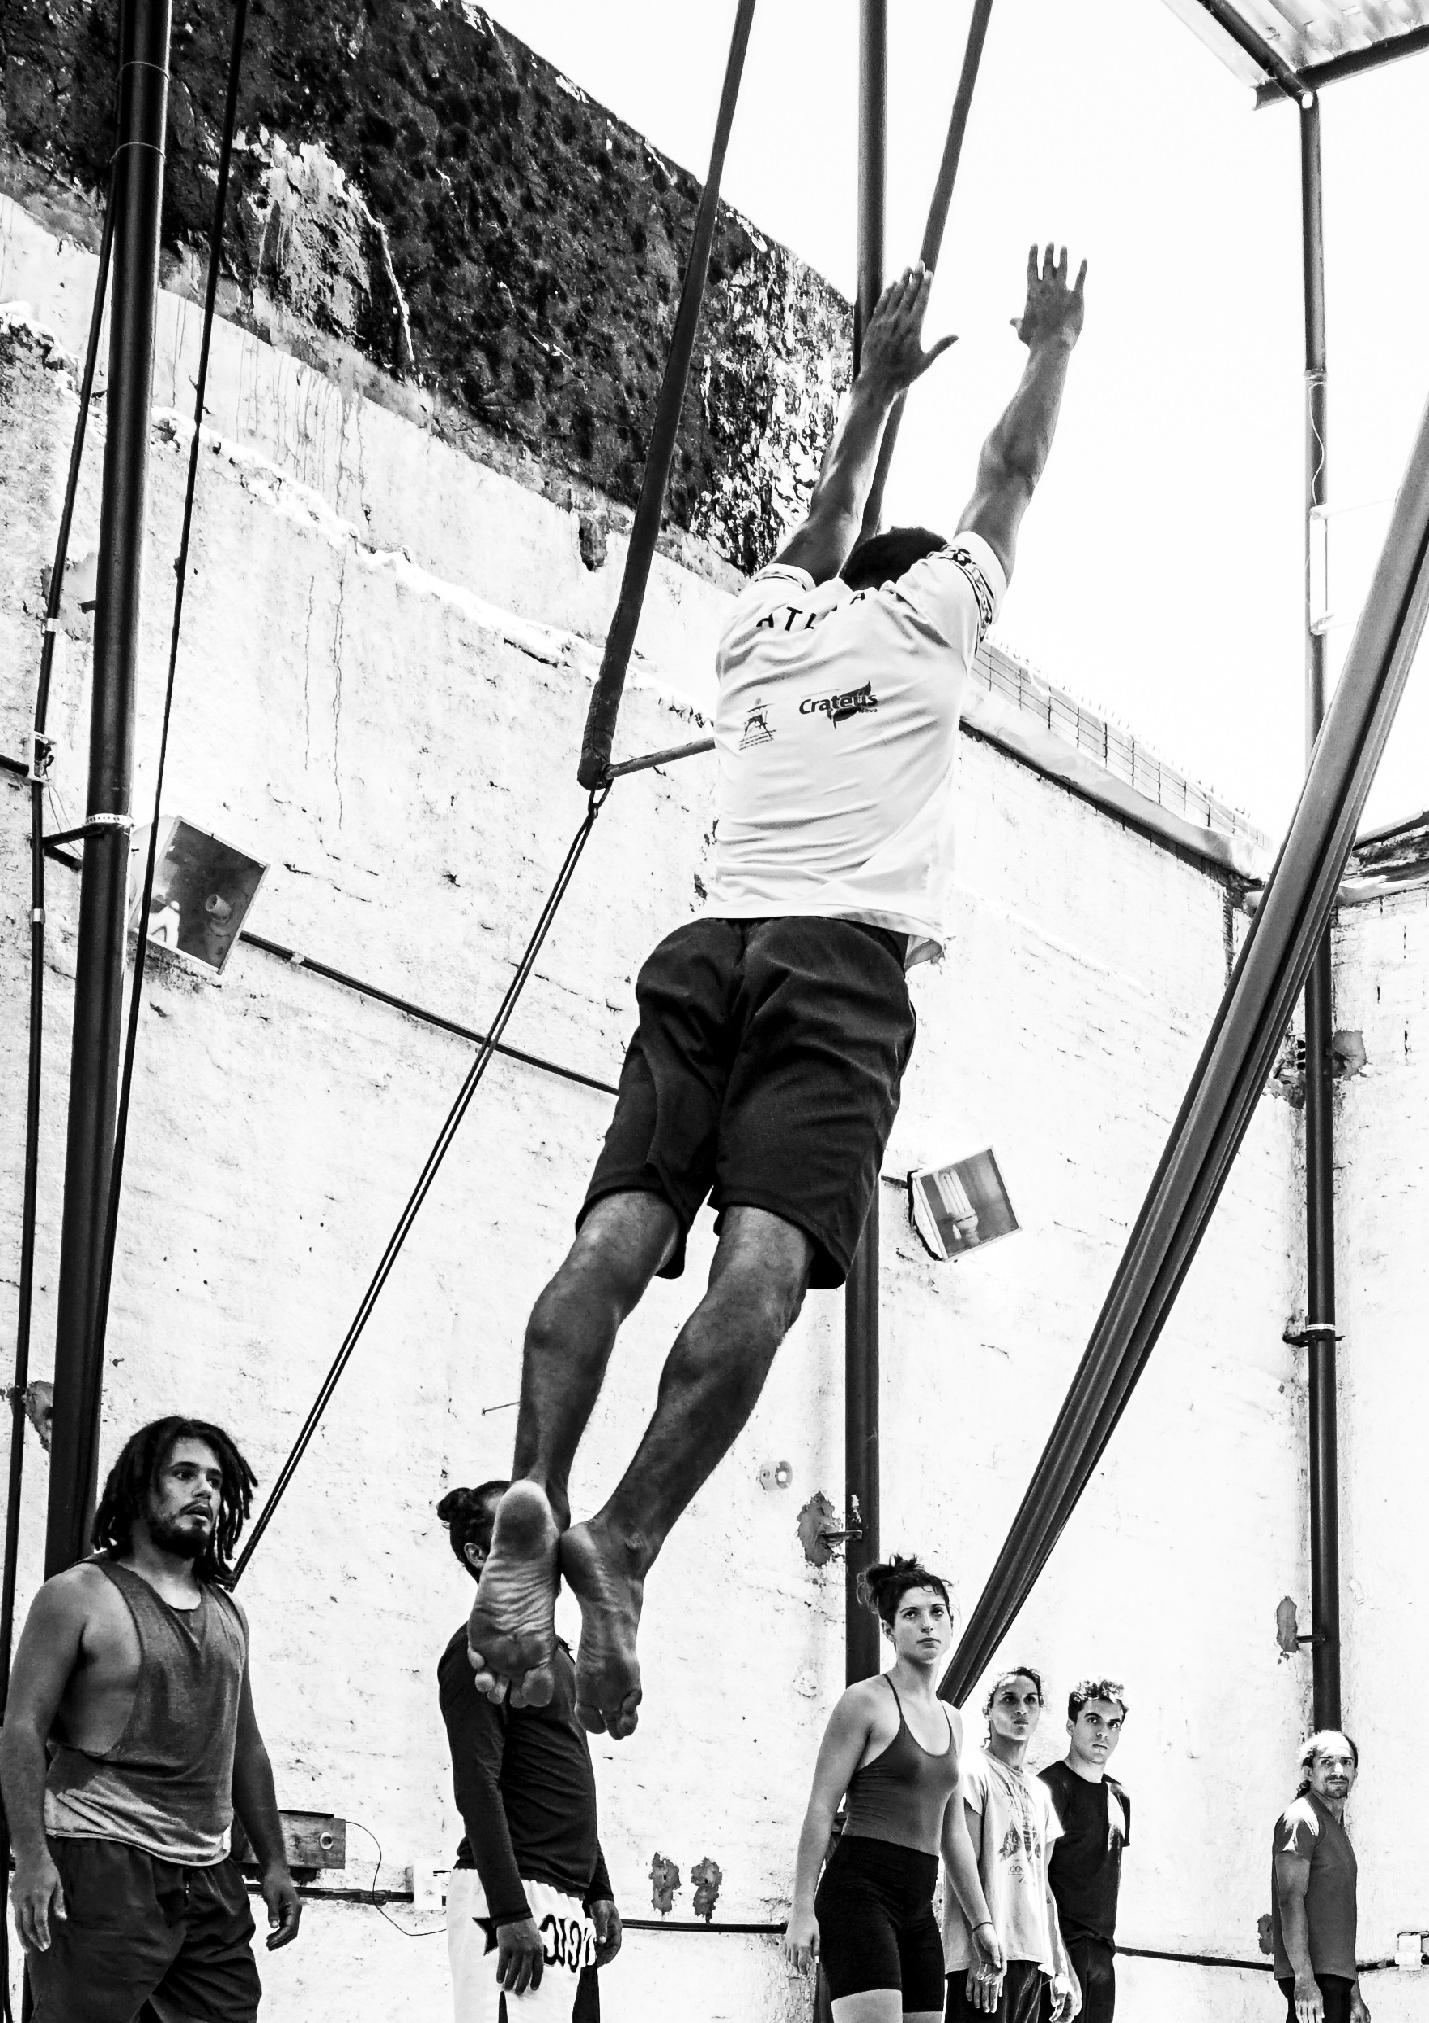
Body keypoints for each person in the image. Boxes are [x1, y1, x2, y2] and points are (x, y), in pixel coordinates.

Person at [465, 250, 1090, 1736]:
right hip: (837, 966)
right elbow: (1007, 474)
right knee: (758, 1268)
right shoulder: (934, 617)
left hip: (709, 947)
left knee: (615, 1235)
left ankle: (536, 1483)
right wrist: (1052, 347)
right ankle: (621, 1538)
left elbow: (822, 512)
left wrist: (872, 386)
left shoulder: (761, 631)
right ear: (932, 583)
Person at [0, 1416, 303, 2023]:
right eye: (184, 1475)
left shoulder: (228, 1614)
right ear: (140, 1489)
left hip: (206, 1869)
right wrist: (31, 1858)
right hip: (99, 1856)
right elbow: (22, 1730)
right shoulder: (79, 1596)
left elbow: (245, 1745)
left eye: (216, 1480)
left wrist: (274, 1859)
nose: (205, 1492)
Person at [432, 1483, 621, 2023]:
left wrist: (599, 1888)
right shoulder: (476, 1653)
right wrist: (509, 1912)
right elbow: (477, 1786)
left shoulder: (553, 1654)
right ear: (483, 1553)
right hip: (507, 1895)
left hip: (561, 1891)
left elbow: (565, 1773)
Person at [783, 1558, 993, 2023]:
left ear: (950, 1624)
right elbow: (821, 1808)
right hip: (857, 1894)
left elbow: (953, 1830)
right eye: (911, 1615)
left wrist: (983, 1922)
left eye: (937, 1612)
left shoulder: (955, 1721)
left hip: (915, 1905)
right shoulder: (865, 1703)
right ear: (889, 1629)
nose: (927, 1624)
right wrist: (800, 1909)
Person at [941, 1666, 1080, 2023]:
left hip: (1029, 1957)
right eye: (1008, 1699)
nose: (1020, 1709)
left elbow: (1043, 1887)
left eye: (1031, 1700)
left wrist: (1059, 1965)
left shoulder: (1039, 1793)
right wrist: (982, 1939)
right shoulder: (971, 1771)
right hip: (986, 1955)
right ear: (989, 1710)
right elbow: (961, 1860)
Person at [1030, 1678, 1132, 2023]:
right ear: (1071, 1724)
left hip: (1101, 1955)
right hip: (1059, 1951)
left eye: (1113, 1724)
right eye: (1093, 1720)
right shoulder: (1049, 1787)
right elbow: (1035, 1881)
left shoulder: (1119, 1797)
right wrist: (1057, 1963)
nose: (1103, 1732)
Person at [1269, 1730, 1375, 2023]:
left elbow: (1338, 1916)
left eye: (1346, 1762)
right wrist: (1305, 1980)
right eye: (1328, 1762)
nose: (1338, 1770)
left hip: (1333, 1977)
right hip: (1310, 1976)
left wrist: (1353, 1991)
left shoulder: (1334, 1827)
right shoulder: (1301, 1818)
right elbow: (1290, 1901)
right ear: (1309, 1771)